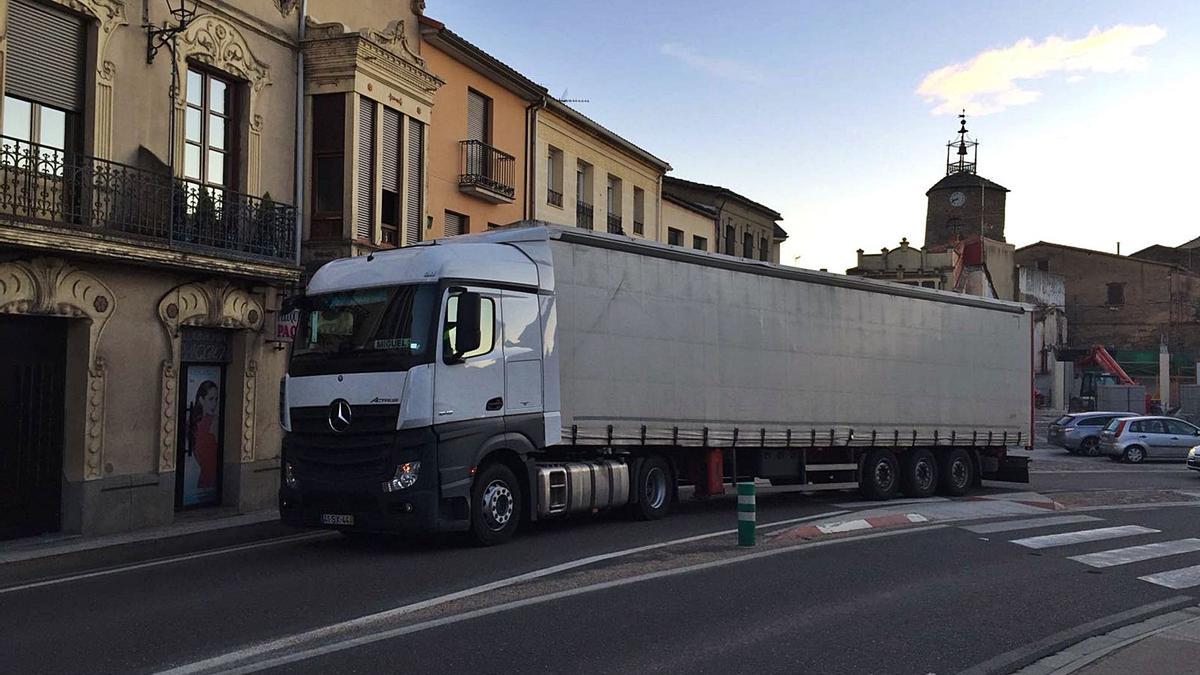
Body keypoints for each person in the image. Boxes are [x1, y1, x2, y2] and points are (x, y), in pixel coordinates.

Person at [188, 380, 220, 493]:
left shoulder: (196, 423)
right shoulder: (212, 422)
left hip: (205, 481)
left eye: (216, 399)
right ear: (201, 400)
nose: (214, 404)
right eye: (211, 399)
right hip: (209, 480)